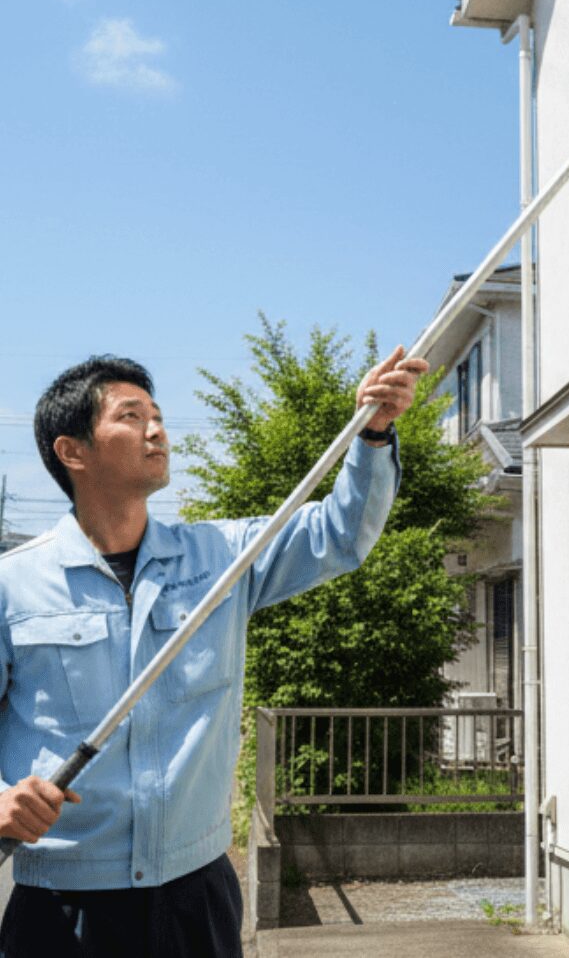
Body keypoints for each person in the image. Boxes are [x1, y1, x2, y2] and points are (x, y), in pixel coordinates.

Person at [0, 345, 427, 957]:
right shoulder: (13, 584)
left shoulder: (223, 558)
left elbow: (340, 534)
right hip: (61, 905)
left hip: (196, 893)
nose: (156, 430)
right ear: (73, 451)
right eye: (130, 416)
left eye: (157, 415)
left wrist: (374, 432)